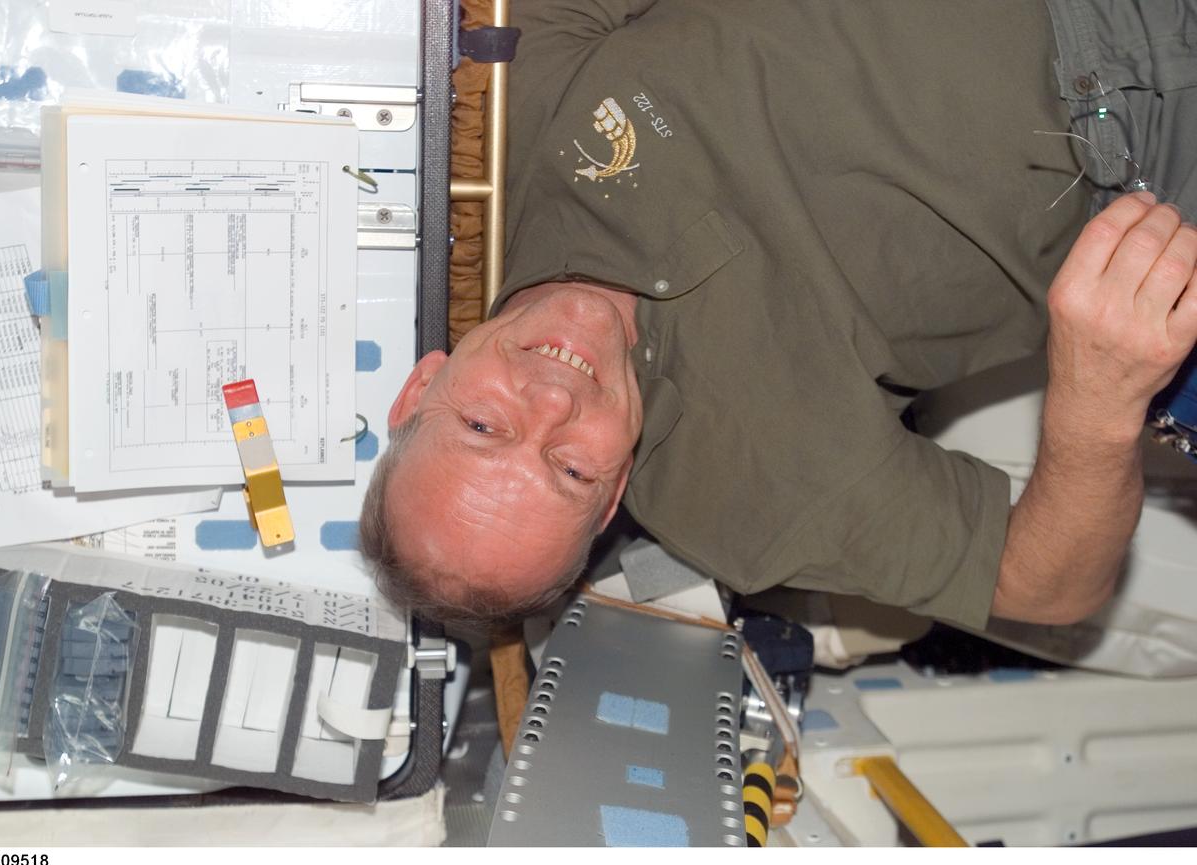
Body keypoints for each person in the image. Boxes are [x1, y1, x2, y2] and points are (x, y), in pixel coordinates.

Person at [361, 0, 1197, 629]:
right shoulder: (738, 493)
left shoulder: (499, 123)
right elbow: (1044, 588)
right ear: (612, 495)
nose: (551, 401)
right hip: (1147, 145)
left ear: (421, 388)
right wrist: (1096, 404)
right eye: (570, 469)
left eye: (483, 426)